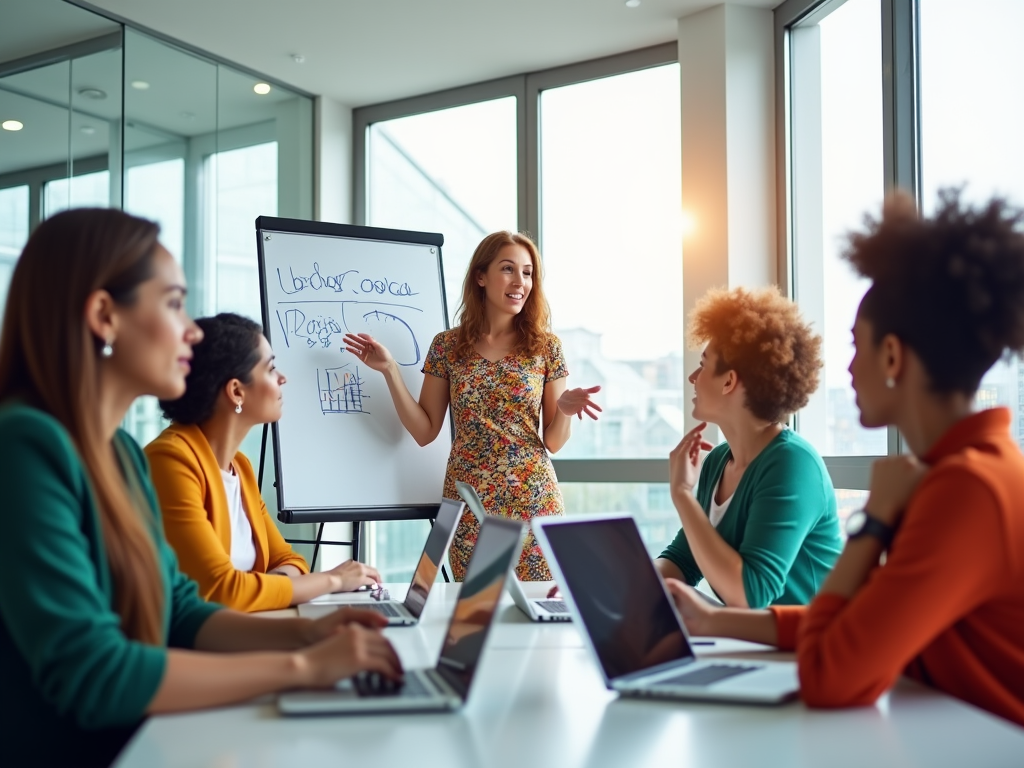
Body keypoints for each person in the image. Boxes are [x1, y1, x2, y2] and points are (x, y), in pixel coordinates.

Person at [0, 209, 402, 767]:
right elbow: (92, 670)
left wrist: (309, 636)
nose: (192, 329)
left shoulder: (118, 455)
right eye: (172, 303)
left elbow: (180, 612)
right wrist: (303, 668)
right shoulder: (25, 445)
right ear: (104, 316)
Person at [665, 190, 1024, 728]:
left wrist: (874, 523)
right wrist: (714, 620)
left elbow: (830, 675)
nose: (850, 370)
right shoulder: (966, 471)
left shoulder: (967, 488)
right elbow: (866, 621)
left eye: (858, 347)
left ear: (893, 356)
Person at [344, 231, 601, 580]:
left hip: (533, 500)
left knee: (538, 615)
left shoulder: (546, 347)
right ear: (481, 276)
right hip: (469, 504)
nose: (520, 282)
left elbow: (553, 442)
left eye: (528, 273)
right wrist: (390, 370)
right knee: (475, 614)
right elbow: (424, 431)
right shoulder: (447, 345)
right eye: (508, 269)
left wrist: (566, 411)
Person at [146, 313, 381, 612]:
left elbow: (289, 560)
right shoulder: (170, 462)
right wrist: (334, 580)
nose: (283, 378)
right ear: (236, 391)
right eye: (270, 368)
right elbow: (222, 590)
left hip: (240, 632)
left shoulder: (239, 468)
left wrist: (265, 587)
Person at [654, 286, 843, 607]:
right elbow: (683, 562)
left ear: (729, 381)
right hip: (749, 644)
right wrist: (620, 584)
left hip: (803, 651)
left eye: (703, 365)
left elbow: (750, 595)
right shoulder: (717, 462)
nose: (693, 378)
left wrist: (682, 495)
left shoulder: (792, 464)